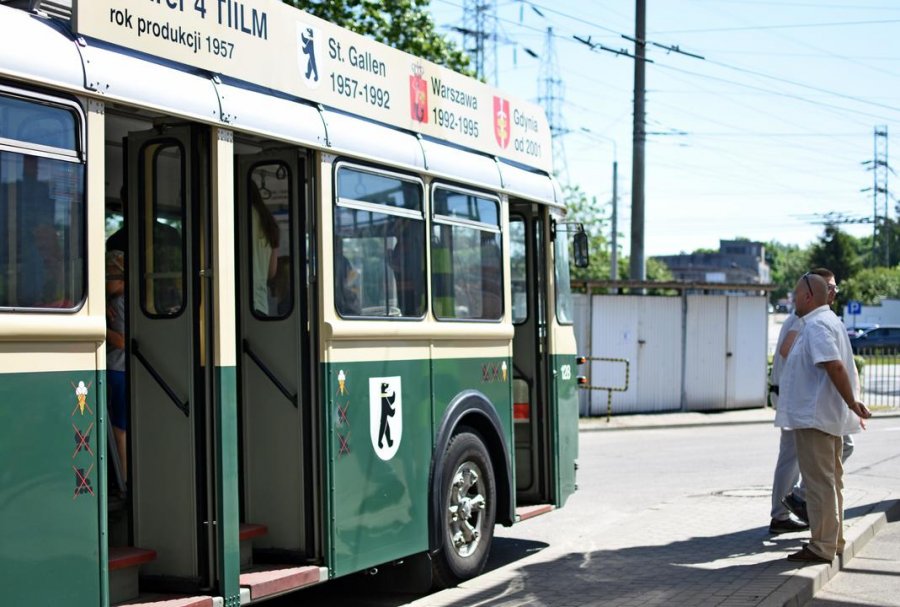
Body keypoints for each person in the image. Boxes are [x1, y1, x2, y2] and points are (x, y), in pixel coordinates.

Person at [776, 273, 871, 563]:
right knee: (830, 482)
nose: (792, 299)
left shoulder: (817, 325)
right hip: (822, 417)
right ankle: (833, 541)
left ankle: (821, 546)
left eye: (795, 294)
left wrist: (852, 403)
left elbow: (834, 366)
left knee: (818, 485)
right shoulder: (825, 322)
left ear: (808, 297)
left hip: (815, 418)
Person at [769, 268, 856, 533]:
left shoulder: (816, 318)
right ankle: (789, 508)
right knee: (796, 459)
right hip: (801, 404)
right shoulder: (805, 318)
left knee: (798, 459)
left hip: (804, 404)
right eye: (829, 287)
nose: (833, 292)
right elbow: (790, 352)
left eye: (834, 288)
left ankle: (791, 509)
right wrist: (852, 402)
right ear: (813, 293)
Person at [106, 250, 128, 486]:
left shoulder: (119, 303)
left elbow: (121, 340)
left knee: (119, 429)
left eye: (109, 276)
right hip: (121, 370)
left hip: (118, 369)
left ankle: (124, 480)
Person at [250, 182, 279, 315]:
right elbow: (271, 272)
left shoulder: (230, 217)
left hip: (235, 304)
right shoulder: (268, 221)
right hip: (261, 305)